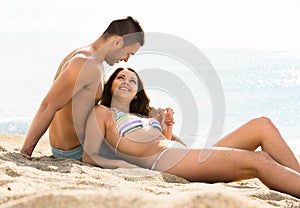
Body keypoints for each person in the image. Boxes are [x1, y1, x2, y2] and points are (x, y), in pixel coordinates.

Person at [82, 67, 300, 198]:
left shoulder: (143, 116)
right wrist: (123, 165)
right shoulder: (103, 112)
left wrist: (166, 126)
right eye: (121, 78)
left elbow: (165, 143)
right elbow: (89, 156)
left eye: (132, 80)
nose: (126, 82)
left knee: (262, 124)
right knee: (260, 160)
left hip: (179, 155)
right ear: (110, 85)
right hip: (164, 161)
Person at [20, 16, 144, 162]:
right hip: (76, 150)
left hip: (78, 146)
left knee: (144, 122)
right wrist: (24, 153)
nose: (126, 60)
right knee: (148, 141)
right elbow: (48, 105)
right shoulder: (85, 62)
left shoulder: (90, 59)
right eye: (128, 53)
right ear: (117, 42)